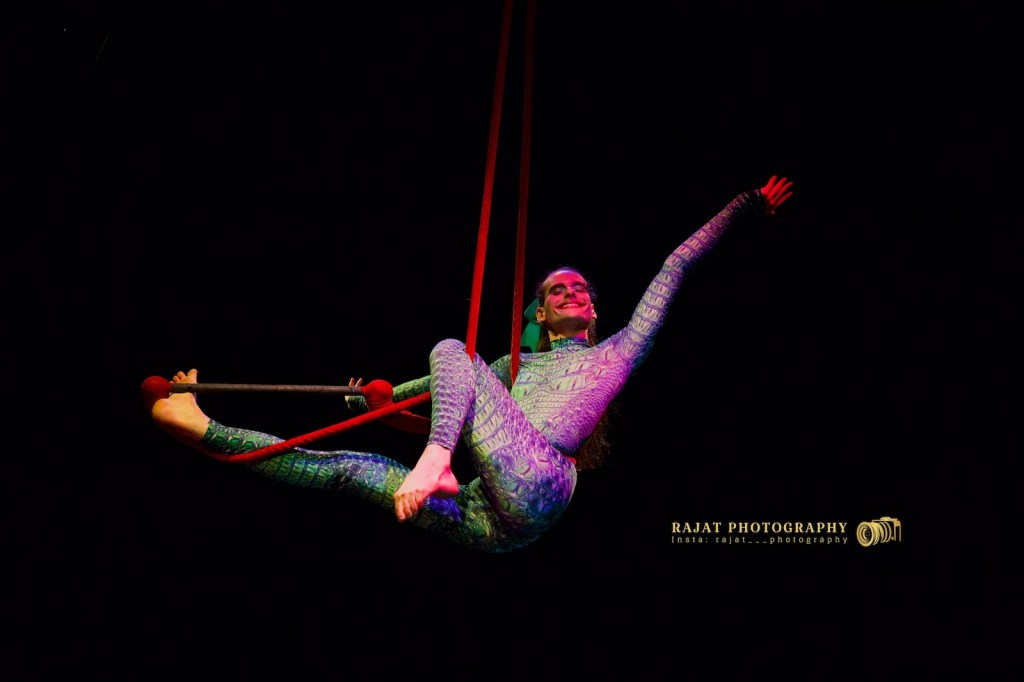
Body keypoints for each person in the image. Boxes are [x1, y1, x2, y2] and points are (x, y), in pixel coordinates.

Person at [148, 175, 794, 553]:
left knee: (454, 351)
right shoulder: (512, 366)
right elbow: (430, 391)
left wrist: (745, 205)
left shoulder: (618, 352)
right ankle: (201, 426)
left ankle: (435, 464)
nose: (572, 293)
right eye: (557, 290)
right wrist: (372, 403)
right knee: (350, 467)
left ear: (594, 310)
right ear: (542, 314)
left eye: (581, 288)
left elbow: (675, 265)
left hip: (539, 480)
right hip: (495, 522)